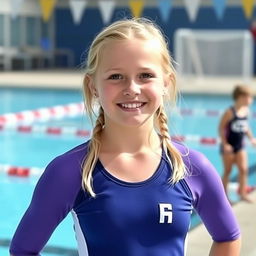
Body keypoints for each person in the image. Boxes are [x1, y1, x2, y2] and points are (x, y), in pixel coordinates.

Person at [10, 18, 241, 256]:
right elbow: (23, 250)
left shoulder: (191, 167)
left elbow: (228, 237)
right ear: (93, 87)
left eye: (145, 75)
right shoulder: (71, 171)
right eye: (116, 76)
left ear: (166, 82)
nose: (132, 88)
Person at [219, 85, 256, 203]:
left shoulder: (246, 111)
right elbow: (221, 128)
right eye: (249, 97)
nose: (251, 100)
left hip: (240, 146)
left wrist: (251, 138)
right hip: (229, 146)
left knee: (243, 169)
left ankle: (243, 193)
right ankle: (224, 196)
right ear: (240, 97)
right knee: (228, 171)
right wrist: (225, 144)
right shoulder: (230, 112)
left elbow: (245, 126)